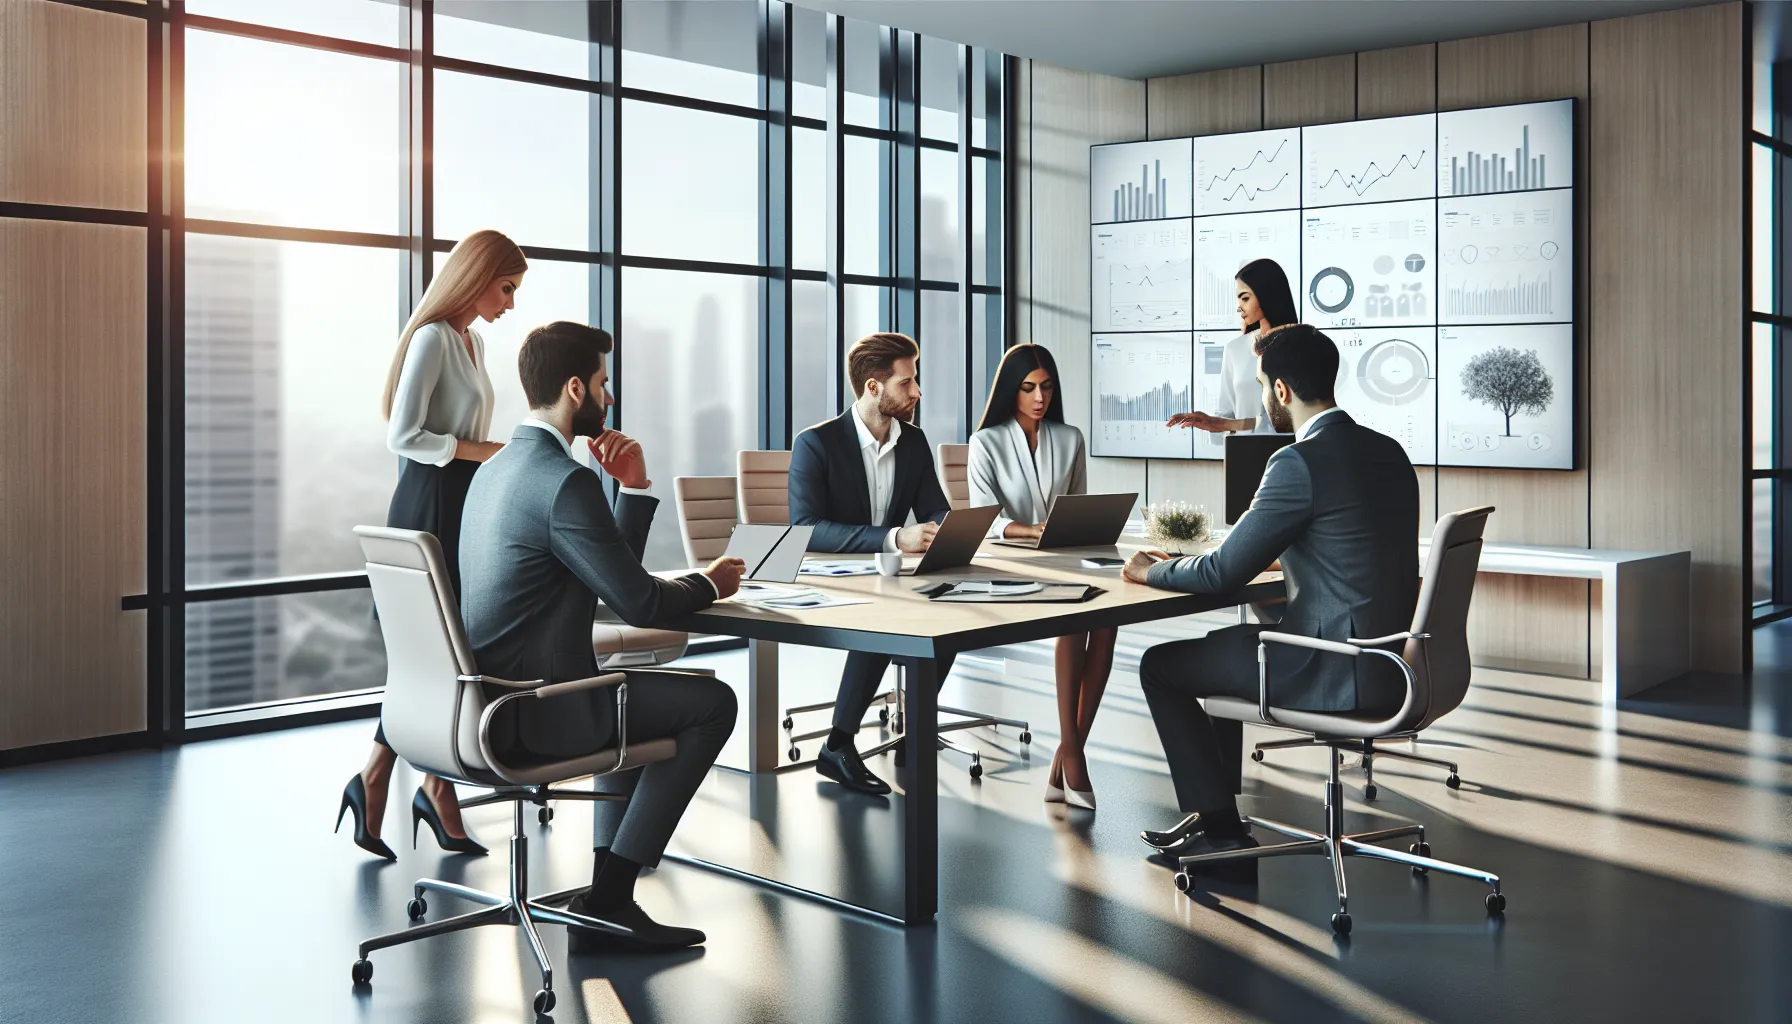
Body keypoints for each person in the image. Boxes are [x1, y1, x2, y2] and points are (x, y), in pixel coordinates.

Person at [458, 320, 745, 951]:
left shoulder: (497, 470)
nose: (609, 398)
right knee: (712, 703)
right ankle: (613, 896)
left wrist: (633, 488)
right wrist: (710, 584)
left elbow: (603, 575)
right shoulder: (565, 481)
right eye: (603, 384)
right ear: (574, 389)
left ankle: (604, 895)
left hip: (480, 704)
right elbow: (639, 600)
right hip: (538, 709)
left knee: (619, 695)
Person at [1121, 325, 1419, 867]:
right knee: (1223, 645)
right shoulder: (1390, 453)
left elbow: (1222, 573)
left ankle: (1219, 832)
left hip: (1331, 666)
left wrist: (1150, 573)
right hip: (1392, 661)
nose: (1262, 398)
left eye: (1261, 385)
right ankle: (1217, 816)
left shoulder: (1297, 462)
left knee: (1161, 666)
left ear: (1281, 391)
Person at [336, 229, 525, 861]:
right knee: (440, 651)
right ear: (476, 279)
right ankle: (414, 787)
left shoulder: (471, 341)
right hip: (429, 504)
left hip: (466, 502)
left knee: (452, 650)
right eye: (507, 287)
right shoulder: (433, 339)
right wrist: (489, 452)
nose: (511, 302)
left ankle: (404, 783)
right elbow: (403, 435)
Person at [789, 332, 952, 795]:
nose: (917, 392)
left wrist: (946, 531)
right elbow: (805, 529)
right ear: (874, 388)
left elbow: (935, 508)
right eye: (907, 383)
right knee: (885, 620)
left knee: (950, 619)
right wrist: (895, 538)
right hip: (830, 579)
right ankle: (837, 745)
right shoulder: (816, 444)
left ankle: (915, 727)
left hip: (888, 576)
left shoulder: (914, 442)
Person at [967, 343, 1114, 811]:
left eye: (1047, 387)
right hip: (1010, 563)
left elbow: (1076, 506)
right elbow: (982, 515)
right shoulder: (985, 442)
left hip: (1064, 557)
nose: (1039, 397)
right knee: (1075, 617)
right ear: (1011, 390)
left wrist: (1074, 532)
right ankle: (1073, 759)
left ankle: (1067, 753)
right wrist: (1028, 530)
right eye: (1028, 388)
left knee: (1108, 617)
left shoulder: (1069, 438)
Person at [1167, 257, 1299, 435]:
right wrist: (1212, 422)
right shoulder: (1235, 349)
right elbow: (1226, 414)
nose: (1239, 308)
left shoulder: (1302, 346)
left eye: (1245, 298)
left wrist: (1229, 424)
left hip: (1292, 456)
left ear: (1267, 295)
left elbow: (1293, 421)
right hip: (1244, 455)